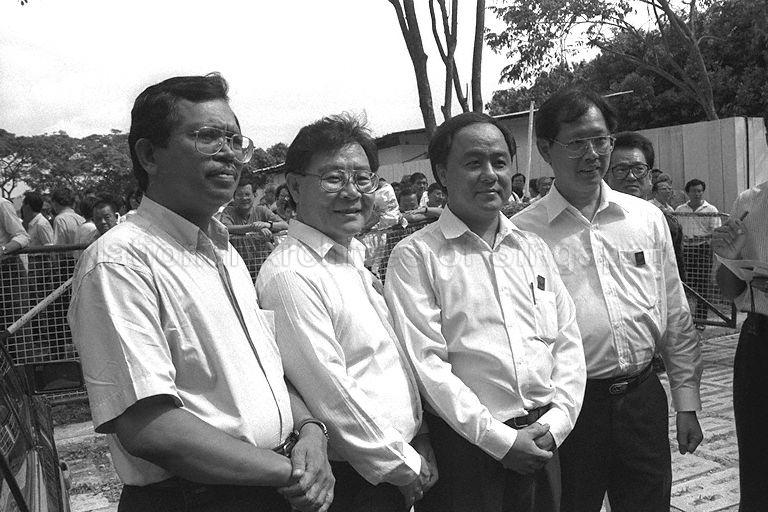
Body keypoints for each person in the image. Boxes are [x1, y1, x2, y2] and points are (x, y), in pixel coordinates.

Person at [68, 73, 333, 512]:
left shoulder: (224, 252)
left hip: (269, 484)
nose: (229, 153)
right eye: (208, 137)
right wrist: (290, 472)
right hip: (198, 498)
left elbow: (263, 372)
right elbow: (151, 428)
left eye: (235, 140)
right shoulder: (120, 262)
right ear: (149, 155)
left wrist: (310, 431)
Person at [512, 87, 703, 512]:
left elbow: (675, 313)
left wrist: (686, 402)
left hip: (642, 401)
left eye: (601, 140)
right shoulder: (521, 235)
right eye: (577, 142)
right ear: (545, 149)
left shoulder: (646, 218)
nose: (592, 154)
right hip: (568, 411)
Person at [385, 112, 586, 512]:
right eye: (473, 163)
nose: (490, 175)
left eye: (499, 162)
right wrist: (501, 441)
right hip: (468, 453)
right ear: (443, 173)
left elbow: (567, 343)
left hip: (544, 441)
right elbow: (427, 365)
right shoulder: (416, 256)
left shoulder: (532, 249)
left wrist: (557, 424)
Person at [256, 113, 436, 512]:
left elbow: (387, 358)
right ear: (295, 187)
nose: (352, 192)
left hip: (397, 459)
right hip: (359, 479)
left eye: (362, 178)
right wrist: (405, 466)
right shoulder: (291, 275)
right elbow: (331, 394)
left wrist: (420, 434)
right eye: (334, 178)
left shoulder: (351, 255)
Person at [712, 114, 768, 512]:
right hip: (760, 341)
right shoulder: (749, 203)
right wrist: (729, 258)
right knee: (757, 456)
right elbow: (730, 291)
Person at [606, 132, 685, 279]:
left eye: (638, 169)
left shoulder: (667, 224)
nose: (631, 177)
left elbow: (674, 279)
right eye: (621, 169)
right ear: (608, 175)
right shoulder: (594, 223)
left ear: (649, 177)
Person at [676, 178, 721, 325]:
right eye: (694, 191)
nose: (697, 194)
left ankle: (701, 319)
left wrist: (701, 237)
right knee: (685, 284)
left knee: (702, 285)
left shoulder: (711, 210)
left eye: (700, 191)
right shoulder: (680, 210)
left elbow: (715, 232)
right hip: (685, 250)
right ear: (687, 192)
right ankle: (686, 319)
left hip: (703, 249)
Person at [220, 179, 288, 238]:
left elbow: (285, 225)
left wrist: (267, 225)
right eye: (239, 195)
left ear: (254, 195)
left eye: (247, 194)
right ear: (233, 197)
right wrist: (254, 227)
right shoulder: (228, 211)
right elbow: (225, 228)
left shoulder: (262, 210)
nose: (244, 198)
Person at [1, 195, 30, 331]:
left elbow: (22, 236)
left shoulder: (2, 204)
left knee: (16, 323)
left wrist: (3, 250)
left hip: (8, 270)